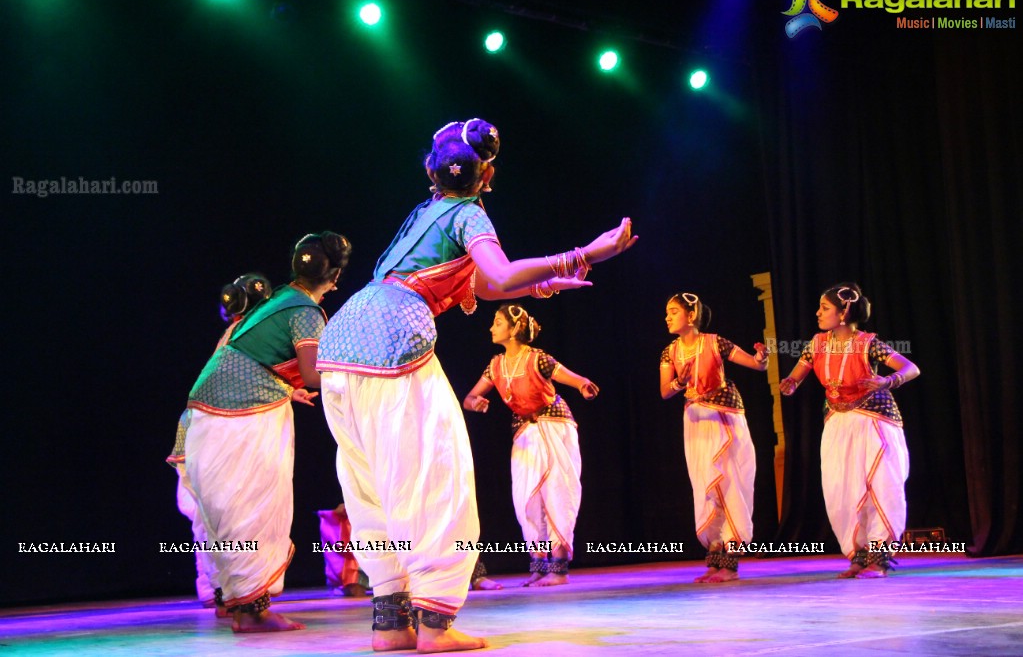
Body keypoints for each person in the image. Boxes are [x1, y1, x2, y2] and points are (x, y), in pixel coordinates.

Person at [317, 118, 636, 653]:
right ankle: (436, 626)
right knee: (437, 471)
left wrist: (543, 284)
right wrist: (587, 252)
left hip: (344, 337)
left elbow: (485, 282)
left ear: (430, 170)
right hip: (396, 336)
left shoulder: (425, 210)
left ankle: (391, 623)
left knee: (370, 479)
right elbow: (502, 273)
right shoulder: (467, 214)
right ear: (487, 172)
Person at [184, 231, 351, 632]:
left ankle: (244, 605)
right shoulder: (305, 310)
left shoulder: (277, 298)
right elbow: (314, 372)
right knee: (255, 505)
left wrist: (288, 389)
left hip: (209, 408)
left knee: (231, 509)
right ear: (335, 278)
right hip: (243, 412)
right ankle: (253, 611)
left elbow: (257, 357)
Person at [779, 282, 920, 578]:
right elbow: (797, 375)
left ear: (843, 312)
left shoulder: (868, 343)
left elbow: (910, 368)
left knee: (879, 487)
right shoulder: (816, 344)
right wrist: (790, 384)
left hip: (873, 420)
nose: (818, 313)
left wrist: (887, 381)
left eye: (825, 308)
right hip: (838, 422)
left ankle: (879, 558)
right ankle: (858, 555)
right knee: (841, 489)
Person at [463, 304, 597, 587]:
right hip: (524, 432)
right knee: (526, 497)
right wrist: (477, 402)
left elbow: (573, 378)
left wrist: (584, 385)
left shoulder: (538, 359)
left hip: (554, 426)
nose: (491, 328)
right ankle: (539, 566)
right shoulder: (495, 365)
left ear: (514, 330)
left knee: (557, 492)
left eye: (497, 323)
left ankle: (559, 569)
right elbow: (470, 398)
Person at [167, 273, 272, 616]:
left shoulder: (235, 336)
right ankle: (226, 591)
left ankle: (222, 591)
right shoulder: (241, 337)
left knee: (209, 517)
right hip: (208, 428)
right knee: (217, 514)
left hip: (200, 427)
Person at [660, 292, 768, 582]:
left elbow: (757, 366)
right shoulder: (669, 351)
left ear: (691, 315)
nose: (667, 317)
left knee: (729, 481)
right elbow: (665, 391)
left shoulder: (715, 342)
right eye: (667, 312)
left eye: (673, 311)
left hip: (725, 418)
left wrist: (762, 357)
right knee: (706, 486)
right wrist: (680, 381)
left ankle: (730, 562)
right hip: (696, 421)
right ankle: (716, 555)